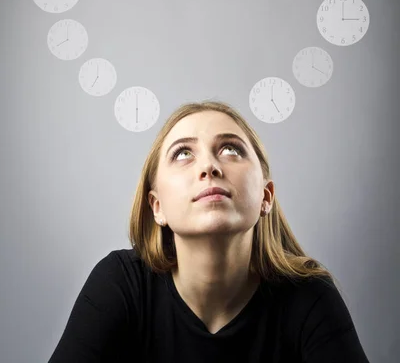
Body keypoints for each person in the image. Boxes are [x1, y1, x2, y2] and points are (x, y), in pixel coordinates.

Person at [48, 100, 370, 362]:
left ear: (265, 196)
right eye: (183, 153)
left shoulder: (309, 297)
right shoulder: (120, 284)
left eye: (231, 149)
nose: (209, 167)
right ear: (156, 207)